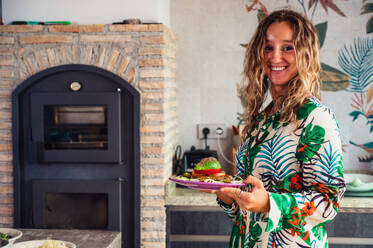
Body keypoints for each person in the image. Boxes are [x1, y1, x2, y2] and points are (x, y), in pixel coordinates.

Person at [210, 9, 345, 248]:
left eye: (288, 47)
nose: (275, 57)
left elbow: (328, 203)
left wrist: (270, 203)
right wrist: (229, 197)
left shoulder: (315, 118)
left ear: (305, 55)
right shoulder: (262, 119)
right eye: (268, 47)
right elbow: (248, 210)